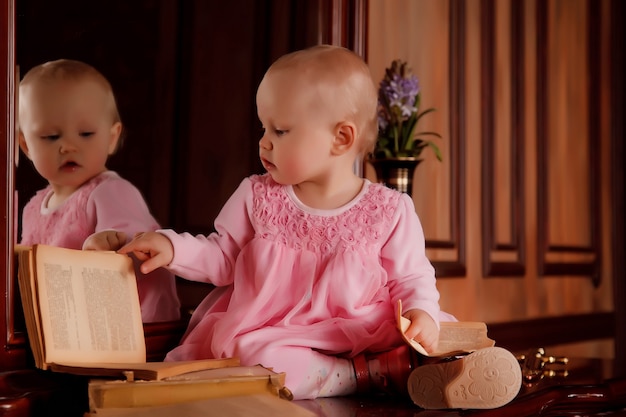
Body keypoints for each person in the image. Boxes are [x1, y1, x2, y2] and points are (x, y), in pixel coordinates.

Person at [119, 45, 521, 408]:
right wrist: (173, 249)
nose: (264, 142)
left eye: (280, 131)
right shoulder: (258, 195)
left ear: (340, 138)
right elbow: (223, 256)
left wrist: (422, 314)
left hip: (364, 327)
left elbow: (412, 276)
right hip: (284, 335)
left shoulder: (388, 209)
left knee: (433, 336)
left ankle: (442, 368)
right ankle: (374, 376)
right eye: (263, 128)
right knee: (251, 357)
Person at [18, 59, 180, 323]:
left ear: (112, 137)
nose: (68, 146)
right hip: (63, 327)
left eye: (85, 133)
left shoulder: (110, 192)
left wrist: (107, 245)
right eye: (50, 137)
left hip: (132, 328)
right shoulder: (33, 208)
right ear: (26, 145)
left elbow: (138, 251)